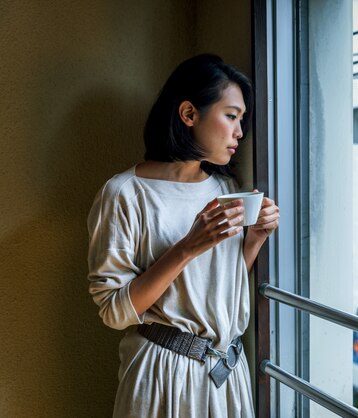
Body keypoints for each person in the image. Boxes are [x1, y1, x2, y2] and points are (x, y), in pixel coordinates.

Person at [87, 54, 278, 418]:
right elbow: (114, 311)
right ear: (189, 114)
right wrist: (188, 246)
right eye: (231, 116)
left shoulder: (226, 187)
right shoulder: (125, 193)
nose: (240, 132)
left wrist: (254, 238)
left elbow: (220, 283)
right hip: (162, 375)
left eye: (242, 120)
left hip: (227, 373)